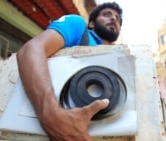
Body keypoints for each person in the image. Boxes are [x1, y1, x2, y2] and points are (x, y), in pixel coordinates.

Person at [17, 2, 122, 141]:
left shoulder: (122, 55)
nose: (114, 19)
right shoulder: (78, 26)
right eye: (107, 14)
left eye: (117, 18)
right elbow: (31, 50)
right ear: (91, 23)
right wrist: (52, 118)